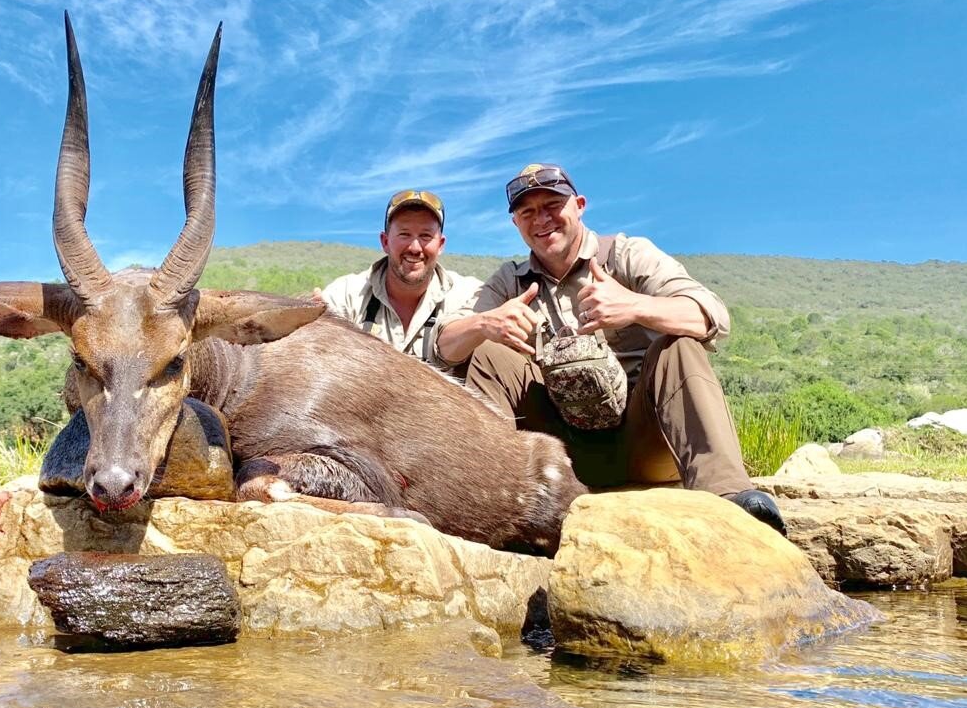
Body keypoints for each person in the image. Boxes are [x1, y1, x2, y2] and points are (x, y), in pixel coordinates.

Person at [437, 163, 786, 533]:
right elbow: (445, 346)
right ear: (516, 224)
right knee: (486, 353)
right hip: (562, 451)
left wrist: (635, 306)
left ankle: (729, 498)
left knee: (679, 346)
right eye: (528, 212)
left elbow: (711, 316)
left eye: (553, 205)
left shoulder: (628, 254)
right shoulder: (510, 280)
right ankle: (490, 502)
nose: (542, 219)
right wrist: (484, 324)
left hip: (645, 442)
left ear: (579, 205)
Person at [316, 189, 481, 373]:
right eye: (404, 234)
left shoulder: (471, 294)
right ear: (385, 241)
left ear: (441, 245)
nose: (415, 247)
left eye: (426, 236)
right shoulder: (345, 295)